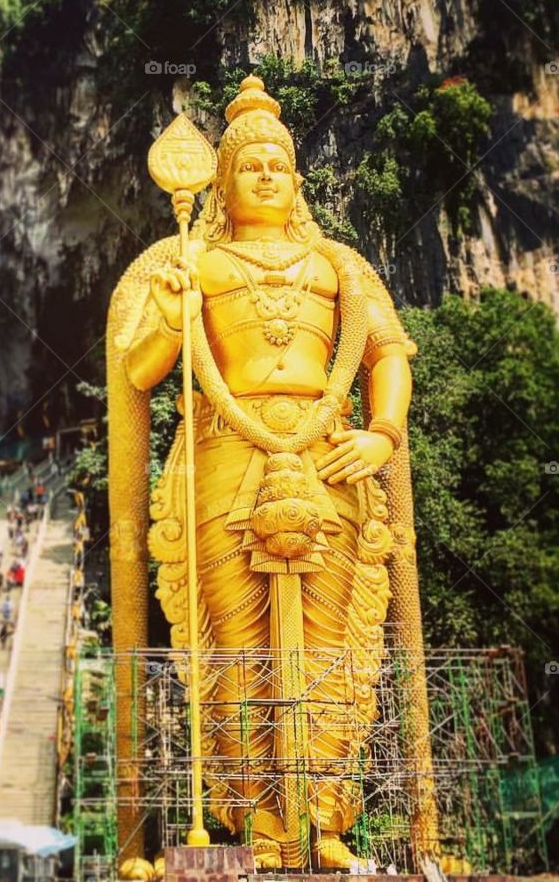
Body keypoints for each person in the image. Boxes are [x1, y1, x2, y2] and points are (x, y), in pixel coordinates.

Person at [108, 75, 430, 873]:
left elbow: (388, 353)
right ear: (221, 182)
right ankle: (257, 821)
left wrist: (383, 435)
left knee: (325, 647)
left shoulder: (340, 267)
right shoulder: (196, 264)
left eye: (277, 165)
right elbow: (142, 372)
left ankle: (323, 816)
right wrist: (172, 310)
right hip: (227, 457)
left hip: (330, 459)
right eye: (247, 164)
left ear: (296, 181)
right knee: (238, 643)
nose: (263, 175)